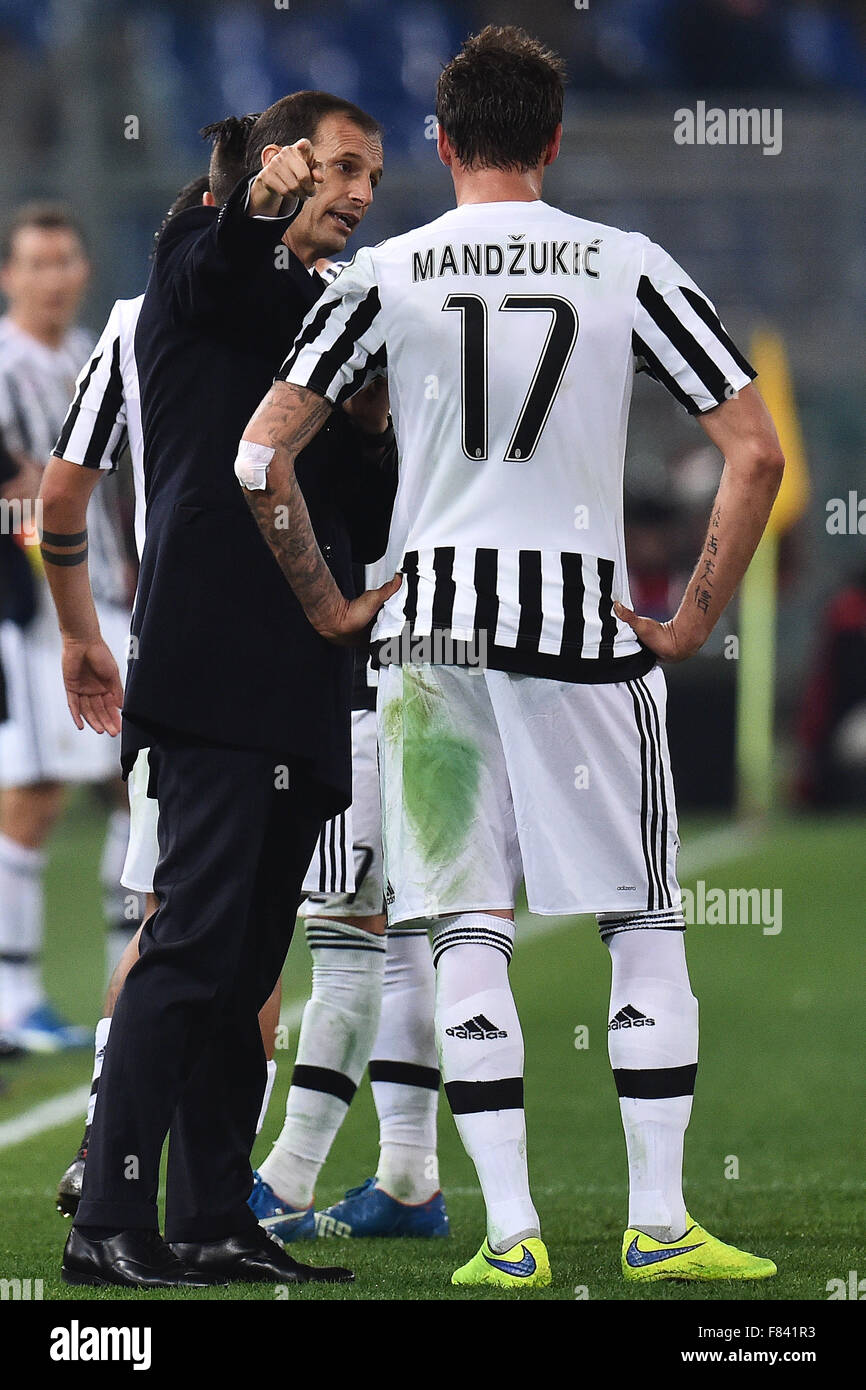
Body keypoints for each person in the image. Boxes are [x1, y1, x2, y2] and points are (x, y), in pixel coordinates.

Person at [237, 27, 785, 1291]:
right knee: (638, 918)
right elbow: (750, 451)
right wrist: (694, 615)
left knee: (464, 927)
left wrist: (332, 602)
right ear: (550, 143)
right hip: (584, 640)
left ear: (437, 142)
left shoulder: (388, 272)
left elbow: (262, 457)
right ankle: (658, 1222)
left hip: (426, 643)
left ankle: (509, 1233)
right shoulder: (624, 264)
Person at [44, 91, 395, 1289]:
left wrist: (379, 425)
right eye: (341, 169)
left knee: (246, 962)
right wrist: (251, 201)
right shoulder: (196, 253)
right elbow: (207, 276)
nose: (356, 194)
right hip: (212, 663)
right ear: (281, 165)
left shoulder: (319, 307)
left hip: (303, 663)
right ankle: (111, 1218)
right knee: (189, 944)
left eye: (371, 179)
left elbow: (354, 499)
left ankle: (207, 1215)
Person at [251, 559, 447, 1242]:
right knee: (406, 928)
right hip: (445, 670)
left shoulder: (347, 447)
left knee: (348, 931)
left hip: (364, 680)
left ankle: (285, 1182)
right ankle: (409, 1178)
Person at [0, 203, 133, 1052]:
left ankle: (133, 969)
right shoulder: (2, 365)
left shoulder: (91, 353)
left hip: (108, 594)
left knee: (138, 781)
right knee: (34, 795)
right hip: (29, 607)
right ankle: (11, 997)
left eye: (64, 261)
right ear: (9, 276)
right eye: (35, 263)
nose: (52, 276)